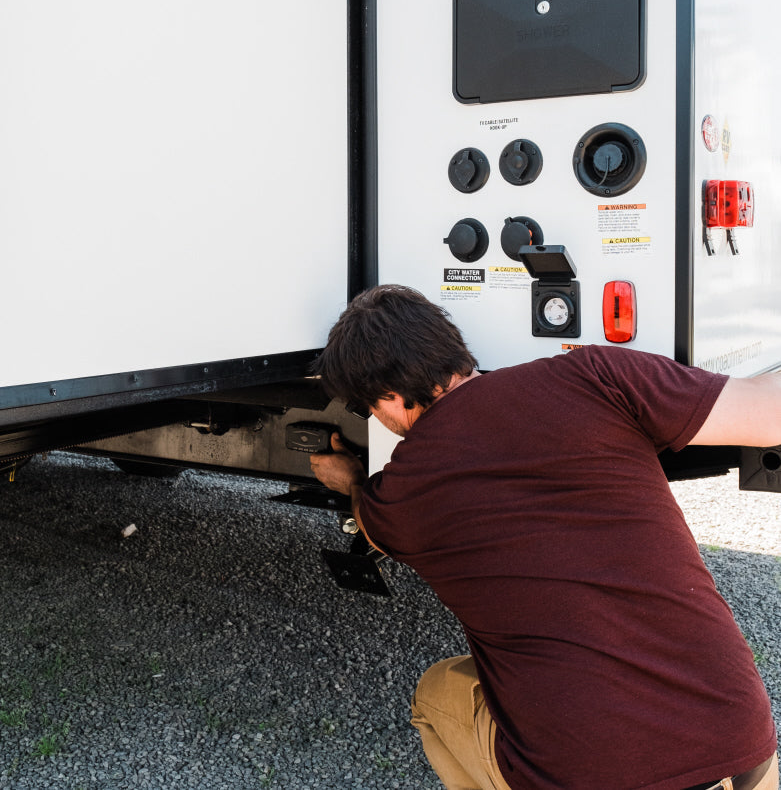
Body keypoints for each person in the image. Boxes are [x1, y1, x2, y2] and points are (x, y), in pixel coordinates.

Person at [309, 284, 779, 790]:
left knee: (435, 692)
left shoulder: (401, 497)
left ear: (391, 398)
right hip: (744, 750)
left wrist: (353, 479)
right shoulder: (596, 374)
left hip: (599, 777)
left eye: (370, 407)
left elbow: (373, 528)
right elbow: (769, 412)